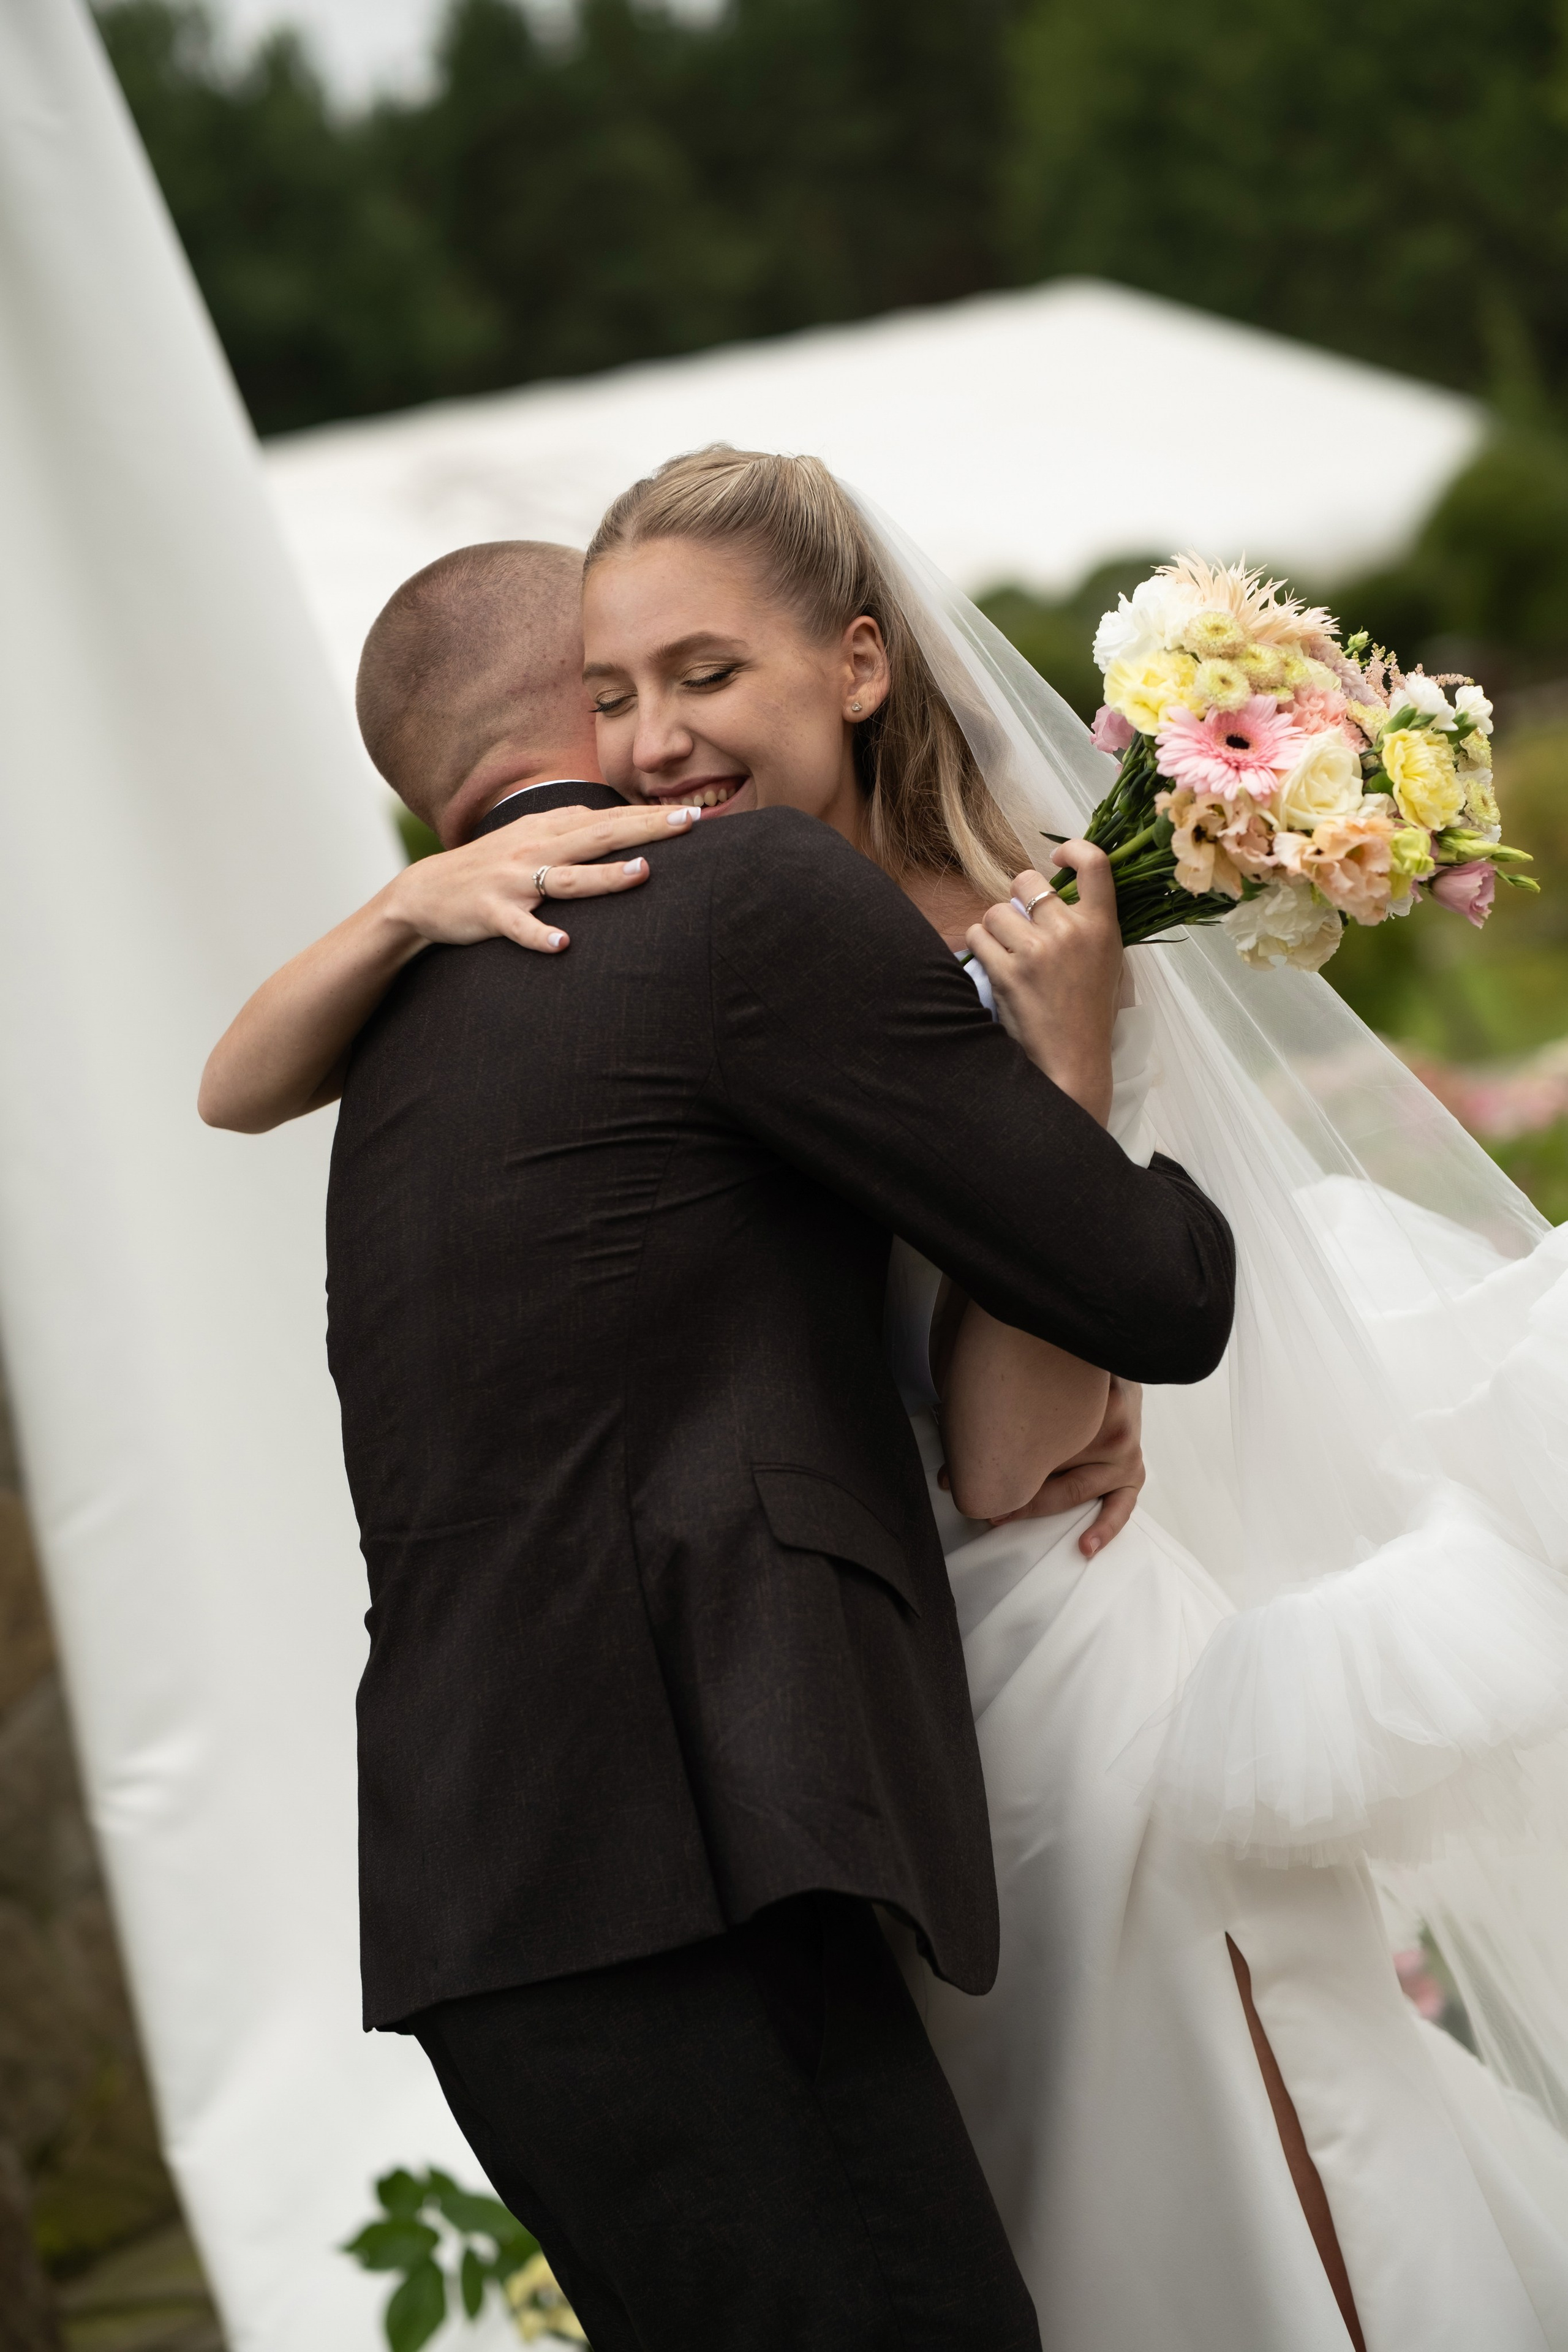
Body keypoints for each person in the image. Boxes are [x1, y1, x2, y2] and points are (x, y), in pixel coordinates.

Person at [208, 448, 1568, 2351]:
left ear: (856, 662)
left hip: (989, 1676)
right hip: (845, 1736)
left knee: (1240, 2178)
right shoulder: (668, 928)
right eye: (616, 695)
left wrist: (1065, 1095)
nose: (656, 741)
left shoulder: (937, 941)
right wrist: (417, 896)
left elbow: (1017, 1446)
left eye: (702, 677)